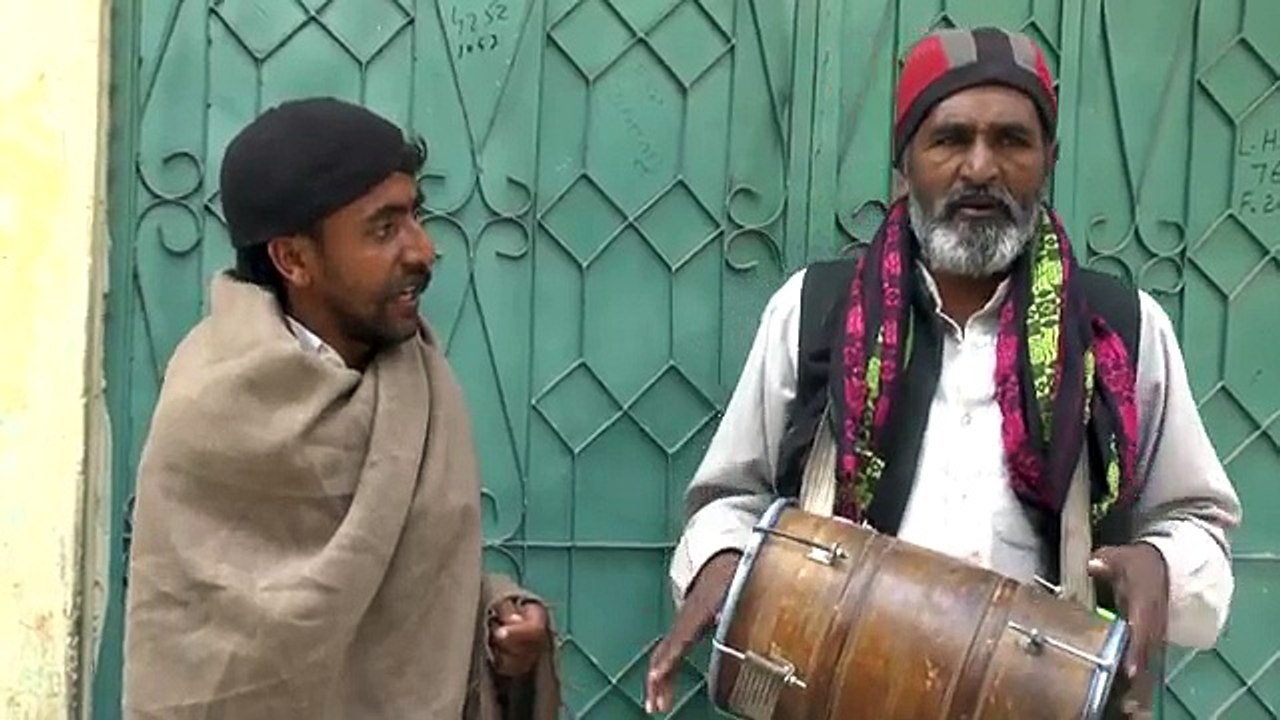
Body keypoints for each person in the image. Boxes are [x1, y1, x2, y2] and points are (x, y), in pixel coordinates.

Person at [645, 27, 1241, 718]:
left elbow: (1196, 520)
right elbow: (729, 499)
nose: (981, 168)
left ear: (1049, 158)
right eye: (951, 139)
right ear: (905, 163)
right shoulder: (814, 312)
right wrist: (725, 563)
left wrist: (1162, 566)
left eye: (1012, 141)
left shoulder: (1120, 329)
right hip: (839, 693)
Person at [122, 97, 560, 719]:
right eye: (384, 228)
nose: (423, 250)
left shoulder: (421, 383)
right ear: (294, 259)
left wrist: (503, 622)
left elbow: (409, 595)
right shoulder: (209, 412)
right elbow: (202, 650)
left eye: (415, 216)